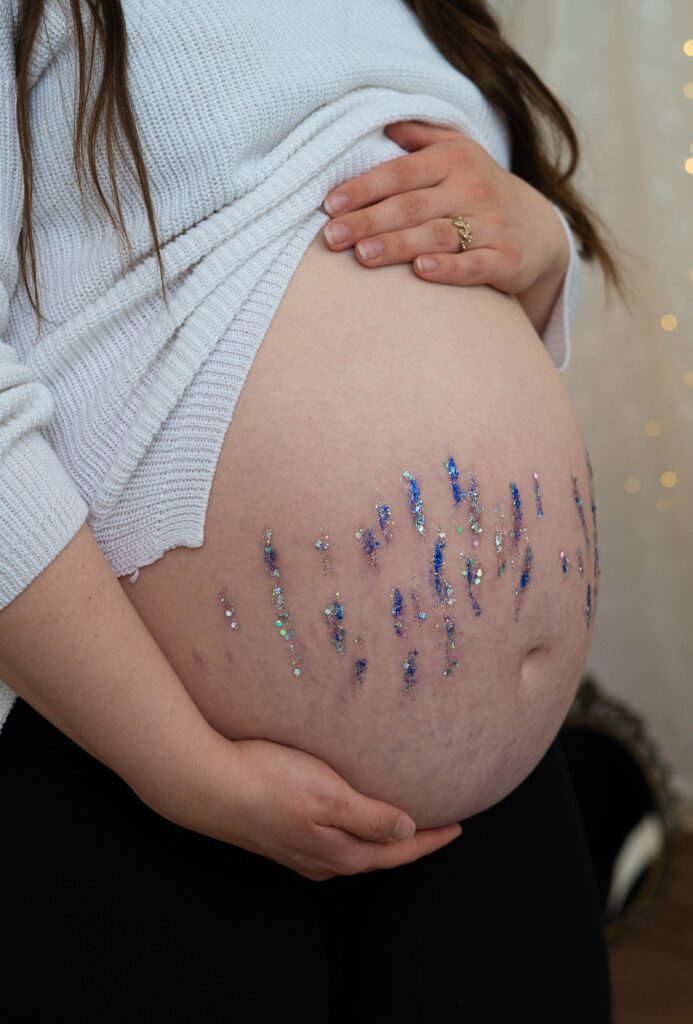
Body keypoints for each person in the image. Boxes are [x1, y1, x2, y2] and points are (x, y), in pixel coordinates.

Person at [0, 1, 625, 1019]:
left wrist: (544, 247)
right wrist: (183, 768)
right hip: (133, 763)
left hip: (496, 804)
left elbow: (467, 267)